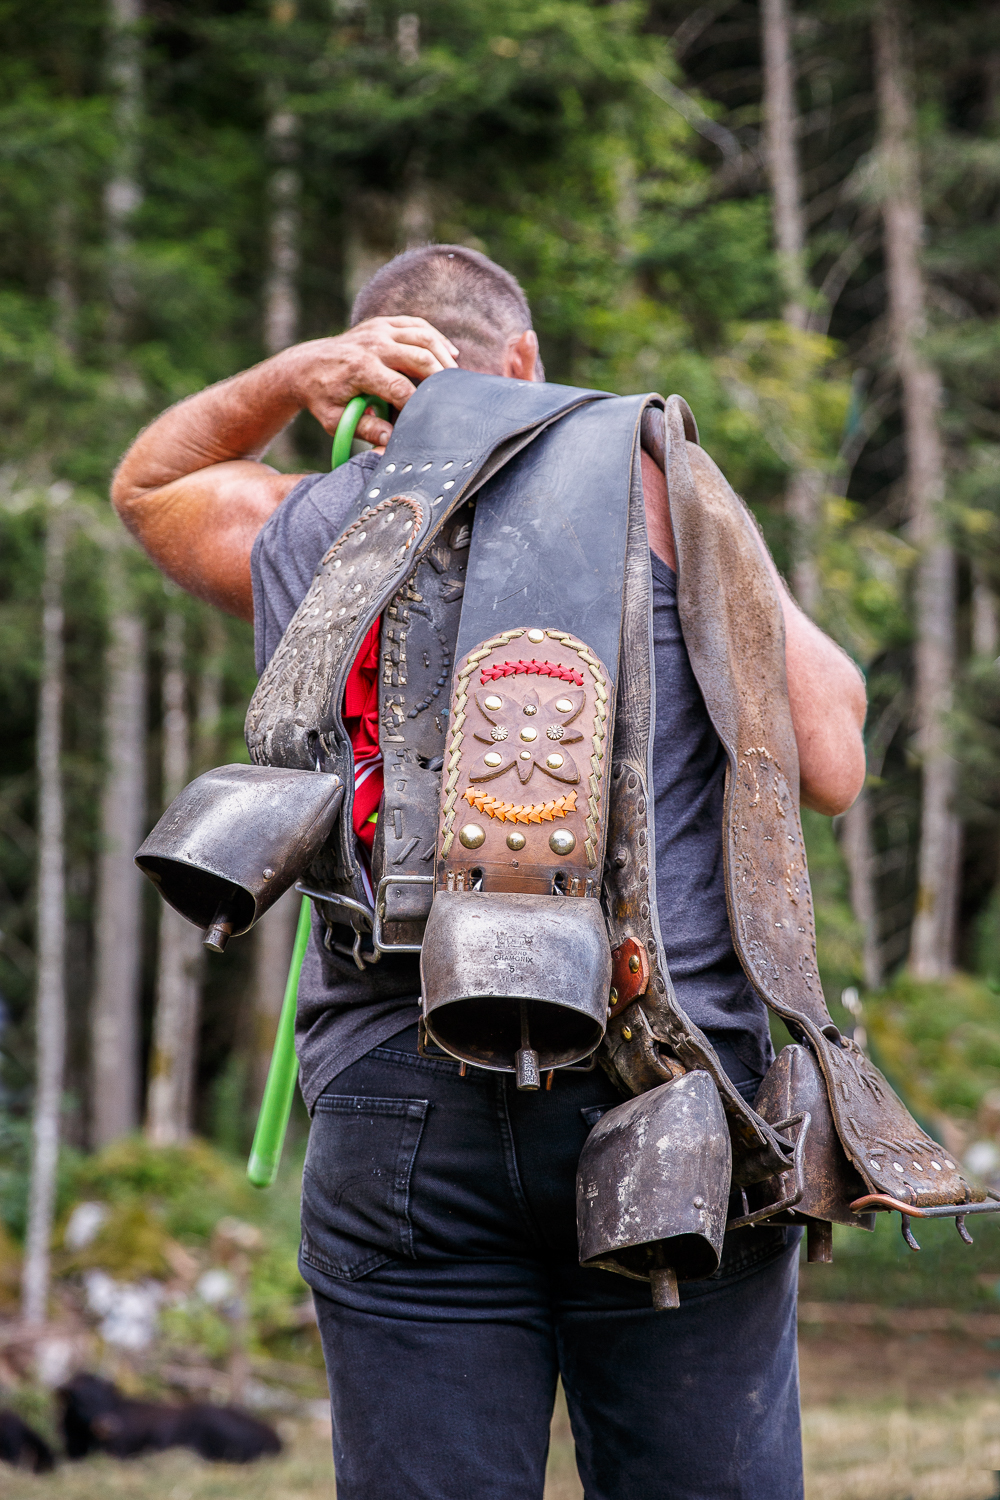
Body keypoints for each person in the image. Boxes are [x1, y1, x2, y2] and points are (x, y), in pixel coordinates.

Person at [113, 244, 866, 1500]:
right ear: (521, 361)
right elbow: (831, 750)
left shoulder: (314, 524)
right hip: (672, 1083)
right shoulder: (660, 491)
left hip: (398, 1096)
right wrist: (677, 486)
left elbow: (153, 483)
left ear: (370, 384)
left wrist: (292, 373)